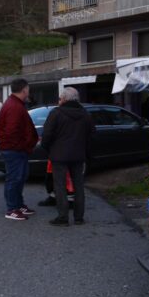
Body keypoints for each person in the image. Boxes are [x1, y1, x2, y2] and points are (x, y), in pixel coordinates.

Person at [40, 87, 94, 226]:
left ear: (63, 99)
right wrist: (87, 154)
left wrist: (49, 150)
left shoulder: (56, 113)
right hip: (78, 156)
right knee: (79, 186)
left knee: (60, 186)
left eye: (59, 98)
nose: (59, 100)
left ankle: (63, 217)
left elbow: (46, 135)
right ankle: (79, 217)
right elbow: (91, 136)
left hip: (59, 156)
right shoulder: (85, 114)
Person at [0, 78, 38, 221]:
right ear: (24, 90)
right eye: (28, 89)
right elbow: (12, 131)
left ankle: (18, 205)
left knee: (19, 178)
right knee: (14, 179)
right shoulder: (14, 106)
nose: (29, 92)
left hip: (17, 149)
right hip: (14, 150)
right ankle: (12, 209)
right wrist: (23, 146)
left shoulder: (15, 104)